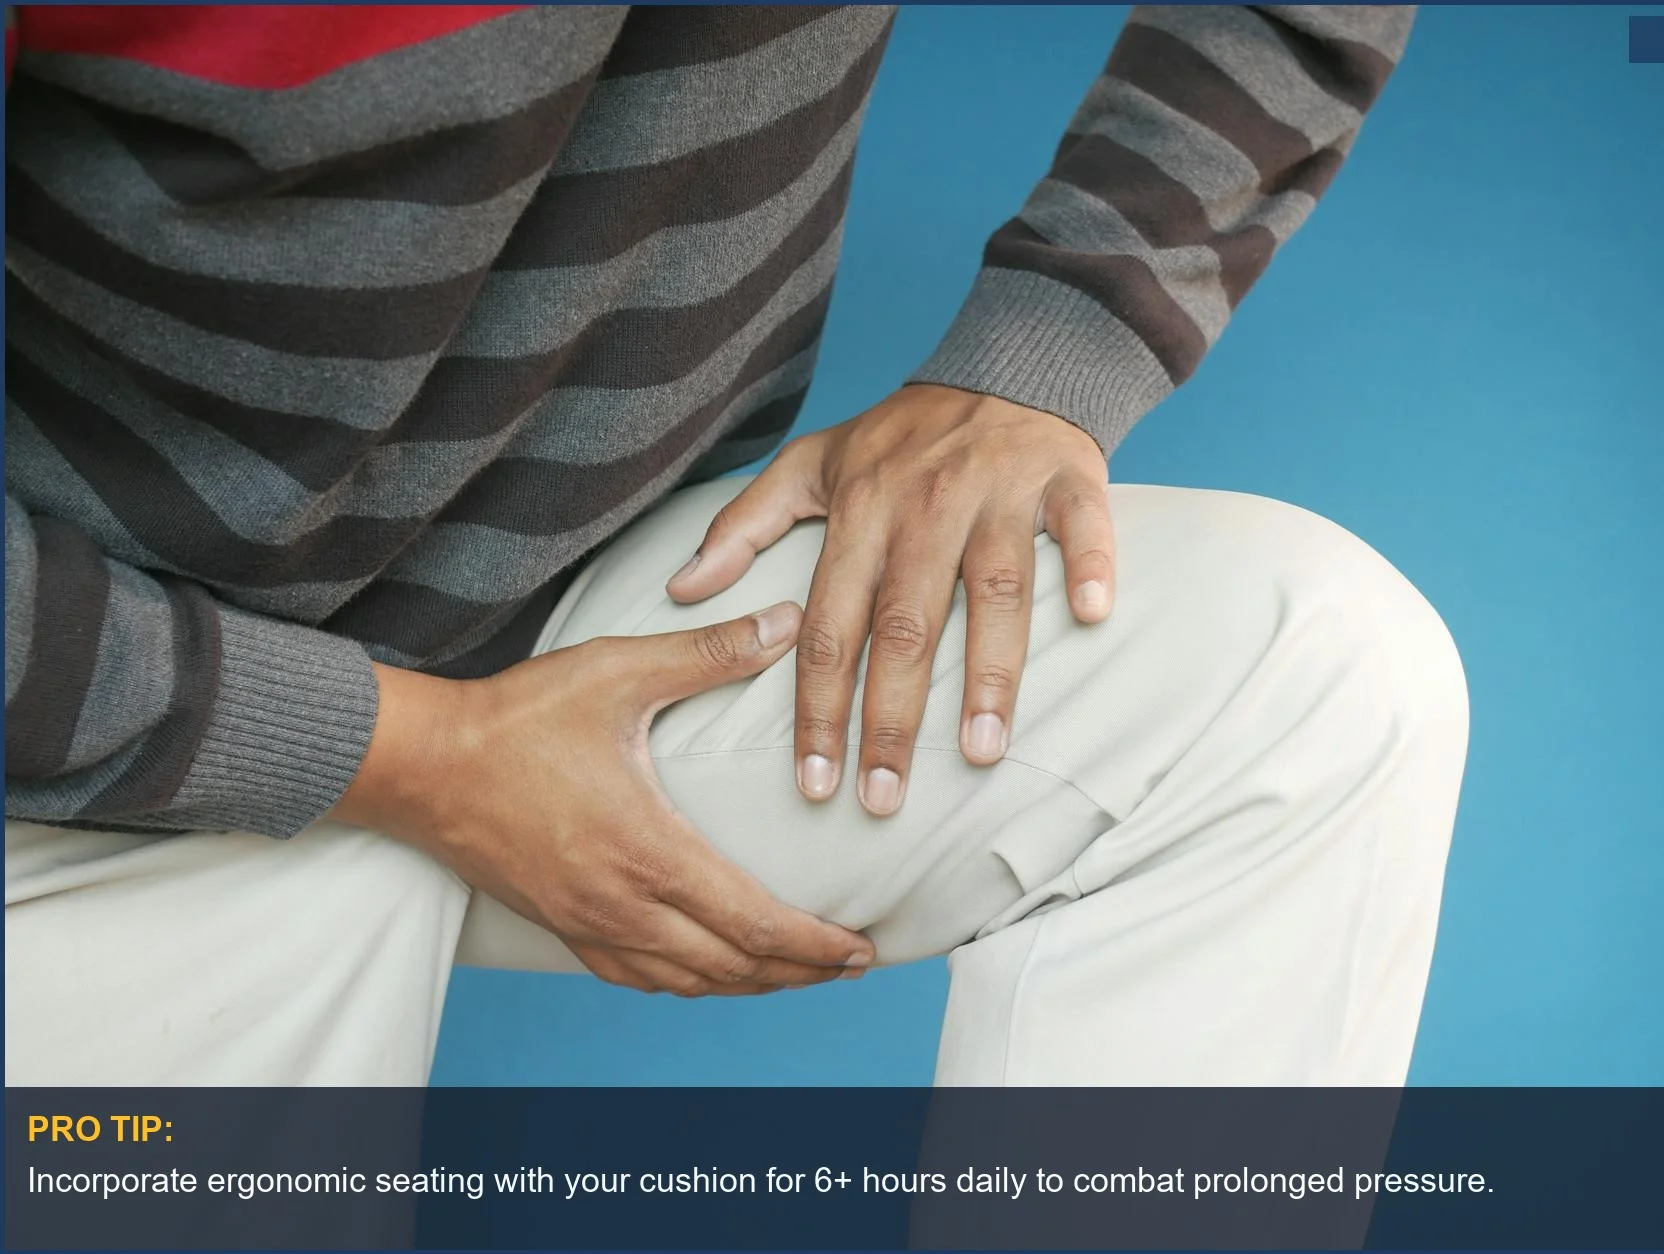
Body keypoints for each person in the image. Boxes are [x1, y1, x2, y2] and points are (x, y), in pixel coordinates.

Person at [4, 4, 1465, 1086]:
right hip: (94, 727)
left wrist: (1066, 330)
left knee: (1305, 674)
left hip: (576, 628)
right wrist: (414, 756)